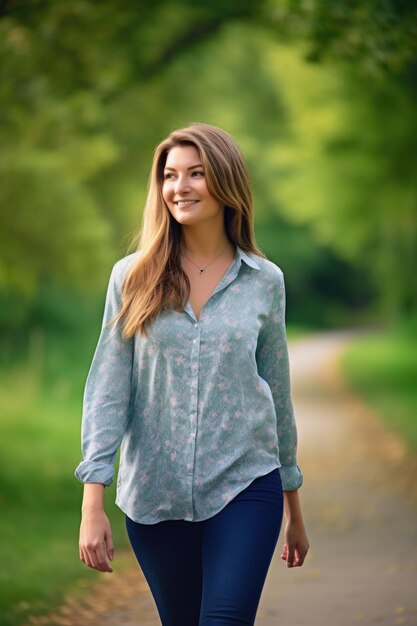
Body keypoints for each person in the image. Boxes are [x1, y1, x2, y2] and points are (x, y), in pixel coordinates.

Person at [75, 122, 309, 626]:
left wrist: (293, 503)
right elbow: (109, 387)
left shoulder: (265, 281)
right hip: (154, 494)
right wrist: (92, 500)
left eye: (196, 174)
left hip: (246, 482)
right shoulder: (132, 276)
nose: (179, 187)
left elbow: (278, 391)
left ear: (226, 182)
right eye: (170, 175)